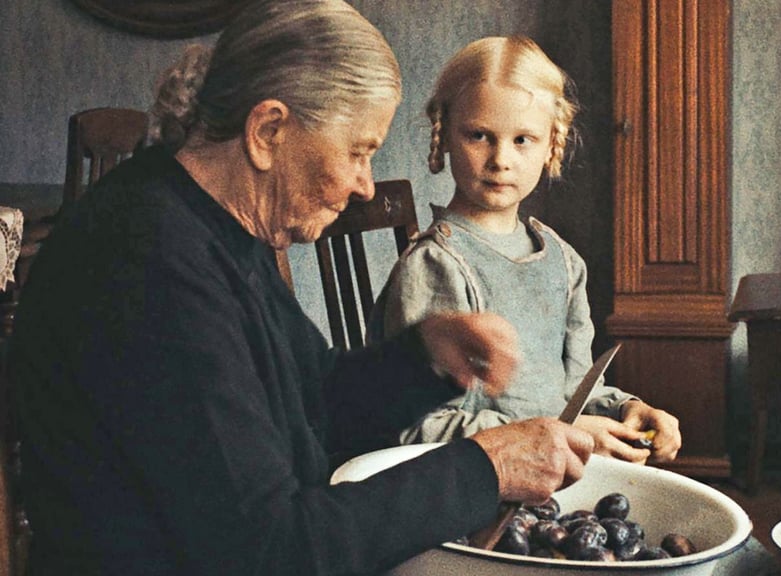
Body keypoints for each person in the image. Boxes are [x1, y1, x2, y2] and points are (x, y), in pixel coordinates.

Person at [9, 2, 594, 575]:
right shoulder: (145, 260)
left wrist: (426, 360)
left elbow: (310, 402)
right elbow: (268, 548)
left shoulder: (208, 222)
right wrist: (484, 470)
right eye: (359, 151)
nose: (366, 185)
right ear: (268, 130)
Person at [370, 36, 682, 464]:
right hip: (473, 486)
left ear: (552, 144)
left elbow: (573, 391)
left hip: (554, 474)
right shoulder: (434, 266)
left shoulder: (564, 261)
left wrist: (627, 410)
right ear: (444, 135)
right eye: (479, 135)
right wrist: (558, 430)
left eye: (523, 140)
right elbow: (417, 429)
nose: (501, 159)